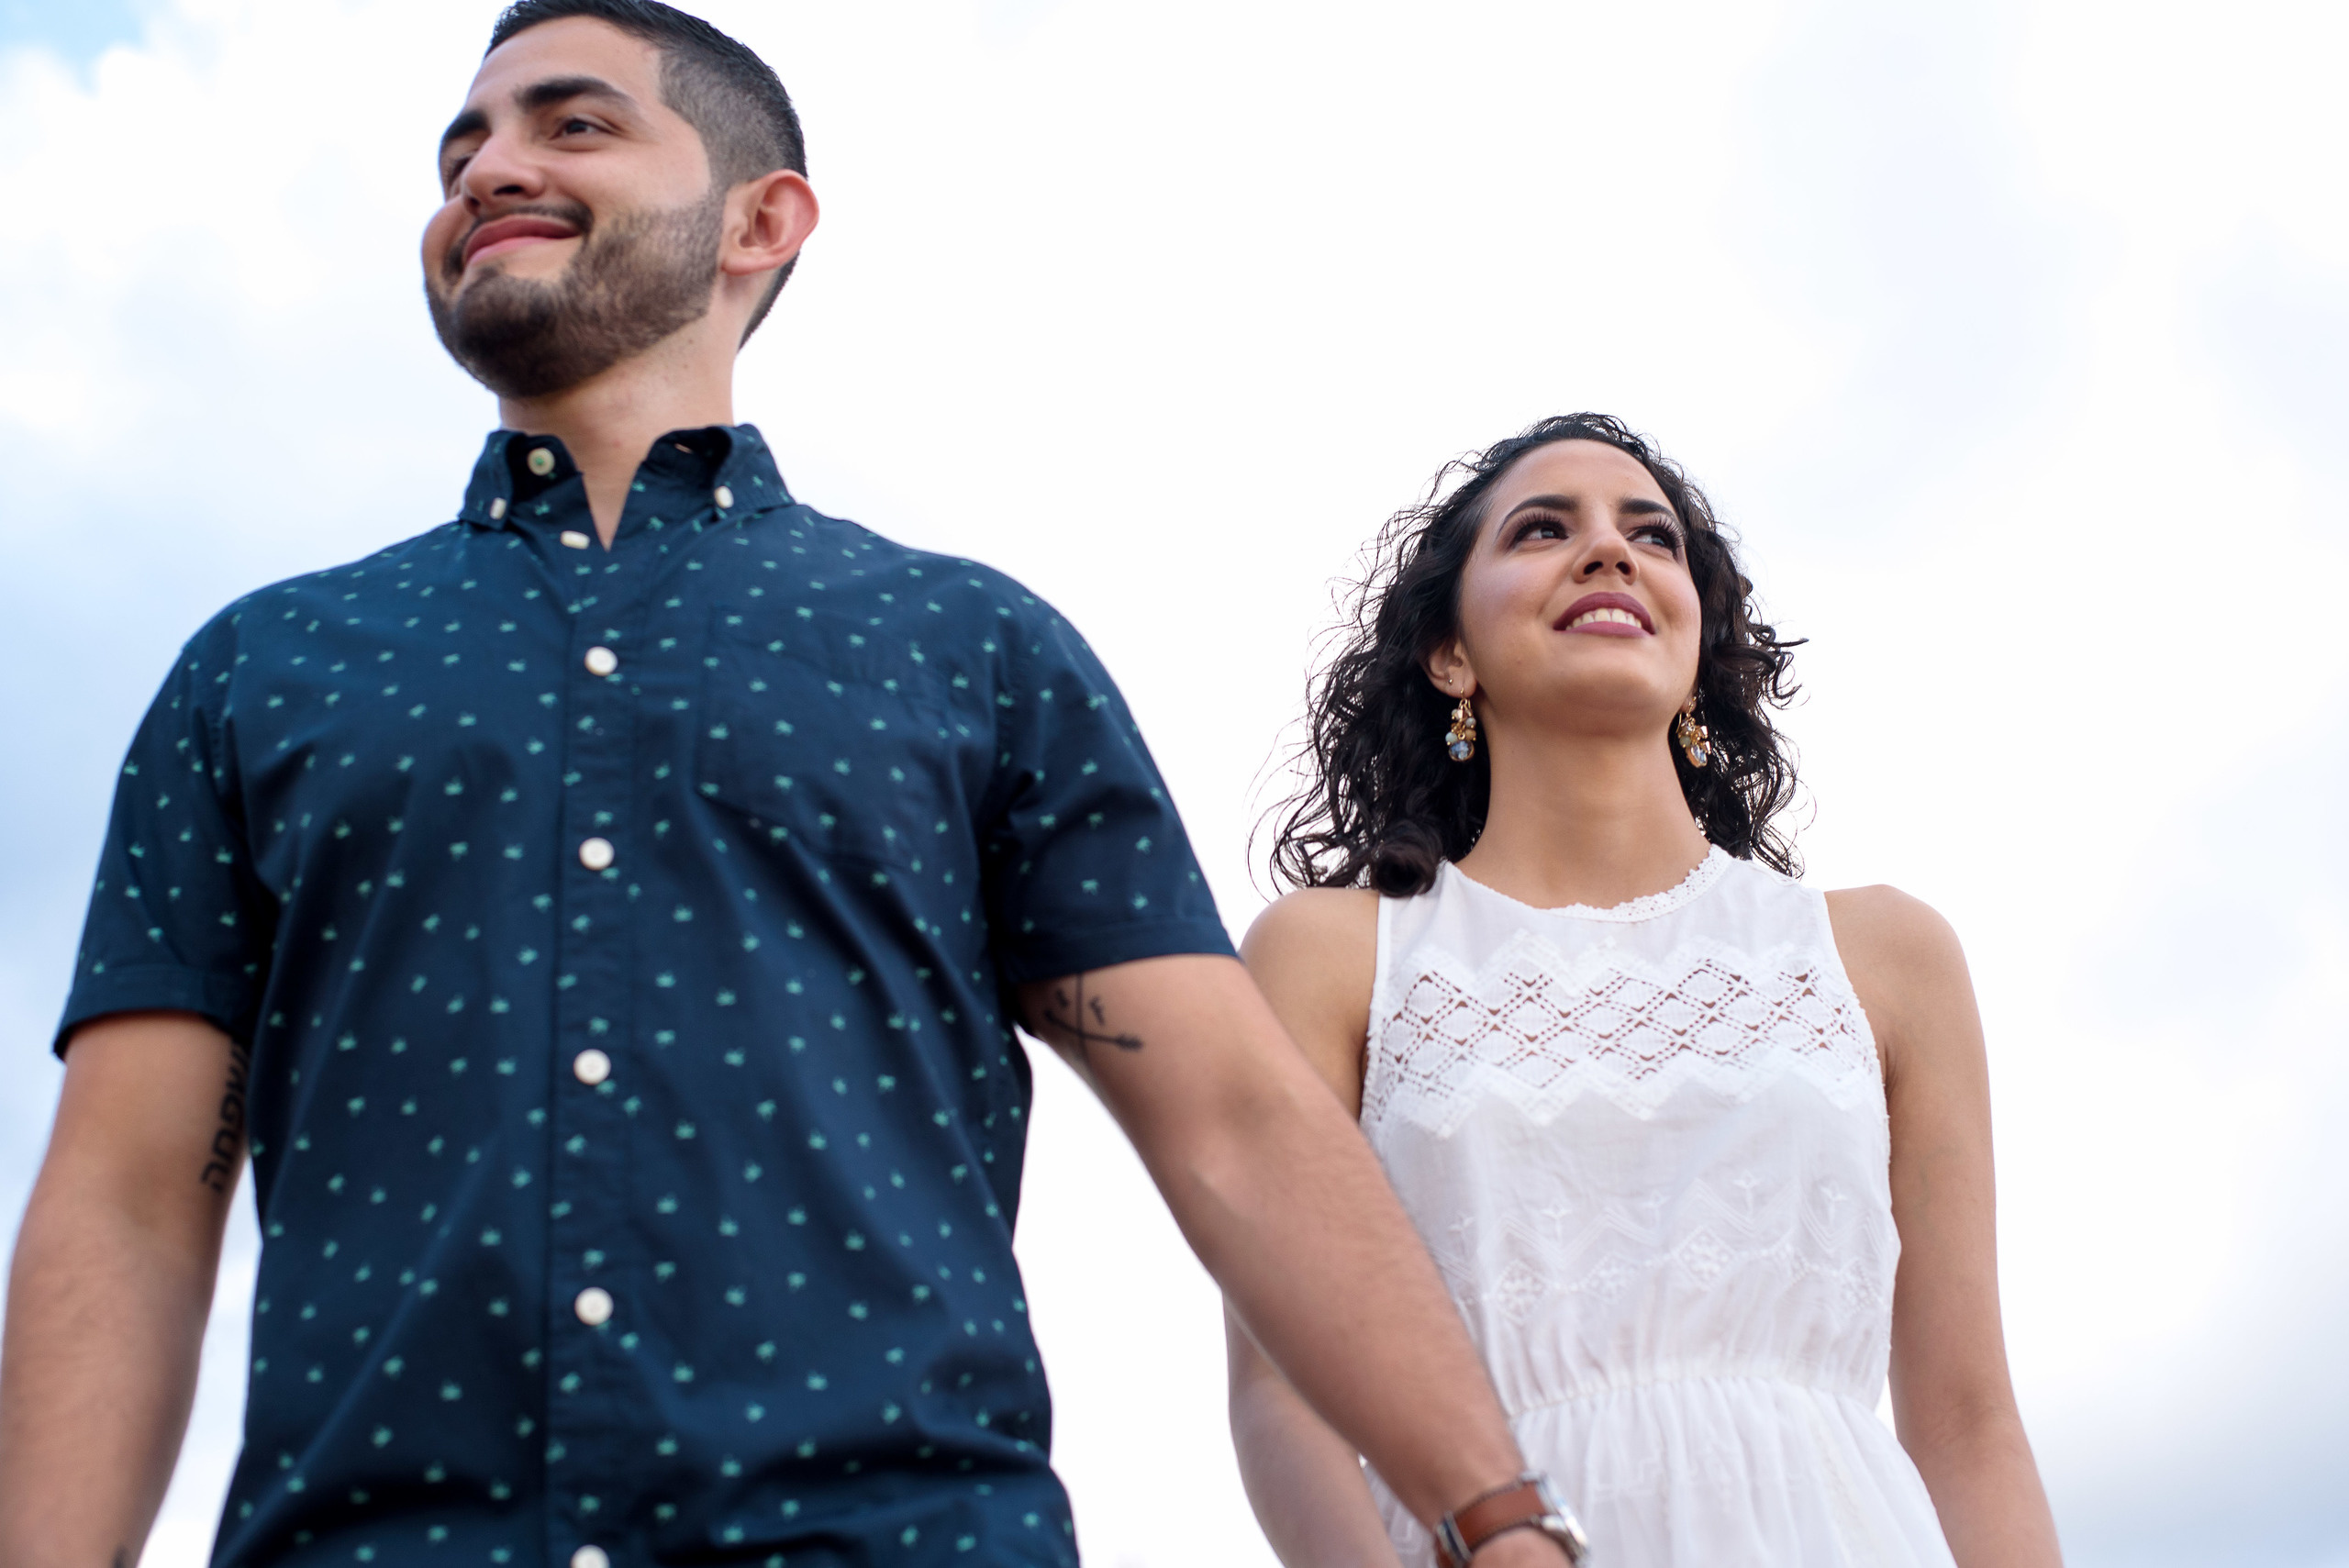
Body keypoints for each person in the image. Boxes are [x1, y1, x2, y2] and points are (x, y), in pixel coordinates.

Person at [0, 6, 1585, 1565]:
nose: (486, 169)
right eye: (461, 145)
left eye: (573, 122)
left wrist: (1501, 1518)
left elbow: (1236, 1120)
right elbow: (129, 1200)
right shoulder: (260, 670)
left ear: (764, 219)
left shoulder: (972, 649)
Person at [1226, 414, 2066, 1567]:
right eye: (1540, 528)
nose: (1609, 551)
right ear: (1449, 654)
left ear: (1696, 643)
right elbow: (1284, 1387)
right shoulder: (1331, 955)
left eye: (1651, 535)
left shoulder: (1885, 954)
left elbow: (1968, 1420)